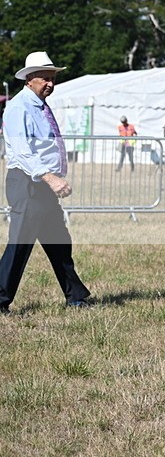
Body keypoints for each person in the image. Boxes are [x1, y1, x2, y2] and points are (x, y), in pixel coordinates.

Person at [0, 51, 92, 313]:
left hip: (42, 184)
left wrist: (54, 176)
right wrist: (51, 178)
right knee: (20, 244)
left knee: (59, 241)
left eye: (53, 78)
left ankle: (75, 295)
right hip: (28, 183)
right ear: (29, 79)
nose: (50, 83)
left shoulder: (38, 104)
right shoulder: (19, 107)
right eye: (45, 78)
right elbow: (22, 151)